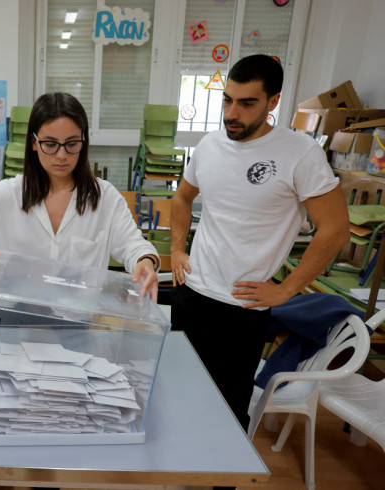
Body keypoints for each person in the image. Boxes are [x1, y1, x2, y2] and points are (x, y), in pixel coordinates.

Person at [170, 54, 349, 432]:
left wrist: (286, 289)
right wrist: (176, 250)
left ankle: (222, 482)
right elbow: (183, 198)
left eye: (246, 103)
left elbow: (335, 230)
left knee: (226, 410)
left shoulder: (300, 153)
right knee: (176, 390)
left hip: (242, 307)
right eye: (227, 100)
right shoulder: (209, 145)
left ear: (273, 102)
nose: (232, 113)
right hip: (191, 290)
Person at [0, 92, 159, 300]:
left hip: (78, 324)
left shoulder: (105, 198)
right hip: (13, 323)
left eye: (72, 144)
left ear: (83, 142)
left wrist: (146, 261)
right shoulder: (5, 195)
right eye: (50, 144)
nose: (61, 155)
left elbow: (135, 246)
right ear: (34, 143)